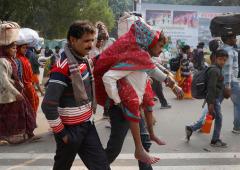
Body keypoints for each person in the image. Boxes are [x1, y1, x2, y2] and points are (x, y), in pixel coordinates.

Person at [93, 19, 183, 167]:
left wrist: (172, 83)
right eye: (160, 45)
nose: (161, 49)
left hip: (134, 106)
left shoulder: (142, 56)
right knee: (114, 149)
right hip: (121, 108)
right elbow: (108, 77)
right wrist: (117, 101)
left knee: (145, 142)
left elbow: (152, 68)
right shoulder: (136, 56)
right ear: (151, 42)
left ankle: (143, 151)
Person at [41, 20, 110, 170]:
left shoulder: (83, 60)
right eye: (86, 41)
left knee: (102, 166)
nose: (91, 45)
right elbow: (48, 105)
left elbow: (95, 63)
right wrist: (63, 134)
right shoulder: (63, 67)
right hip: (70, 131)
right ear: (72, 40)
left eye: (92, 40)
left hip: (87, 125)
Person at [0, 22, 36, 145]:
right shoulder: (2, 61)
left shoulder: (12, 60)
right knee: (7, 118)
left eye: (16, 47)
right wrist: (16, 92)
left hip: (15, 92)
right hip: (7, 95)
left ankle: (25, 134)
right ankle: (6, 137)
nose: (15, 49)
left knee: (24, 112)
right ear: (5, 48)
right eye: (12, 47)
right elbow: (4, 80)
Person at [185, 39, 221, 140]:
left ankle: (194, 127)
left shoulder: (210, 55)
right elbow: (213, 84)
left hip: (212, 85)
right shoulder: (217, 56)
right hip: (216, 88)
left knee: (211, 109)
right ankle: (215, 139)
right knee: (217, 114)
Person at [221, 34, 240, 134]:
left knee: (214, 104)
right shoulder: (230, 52)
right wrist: (228, 85)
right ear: (228, 39)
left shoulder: (221, 49)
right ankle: (237, 127)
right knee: (238, 104)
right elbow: (228, 69)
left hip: (220, 80)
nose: (235, 39)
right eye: (233, 38)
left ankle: (196, 125)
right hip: (230, 81)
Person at [16, 43, 39, 117]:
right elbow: (19, 74)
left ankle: (32, 119)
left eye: (26, 48)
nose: (25, 49)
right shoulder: (18, 59)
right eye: (23, 47)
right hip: (25, 85)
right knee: (30, 104)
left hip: (29, 84)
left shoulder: (25, 58)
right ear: (18, 48)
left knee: (35, 101)